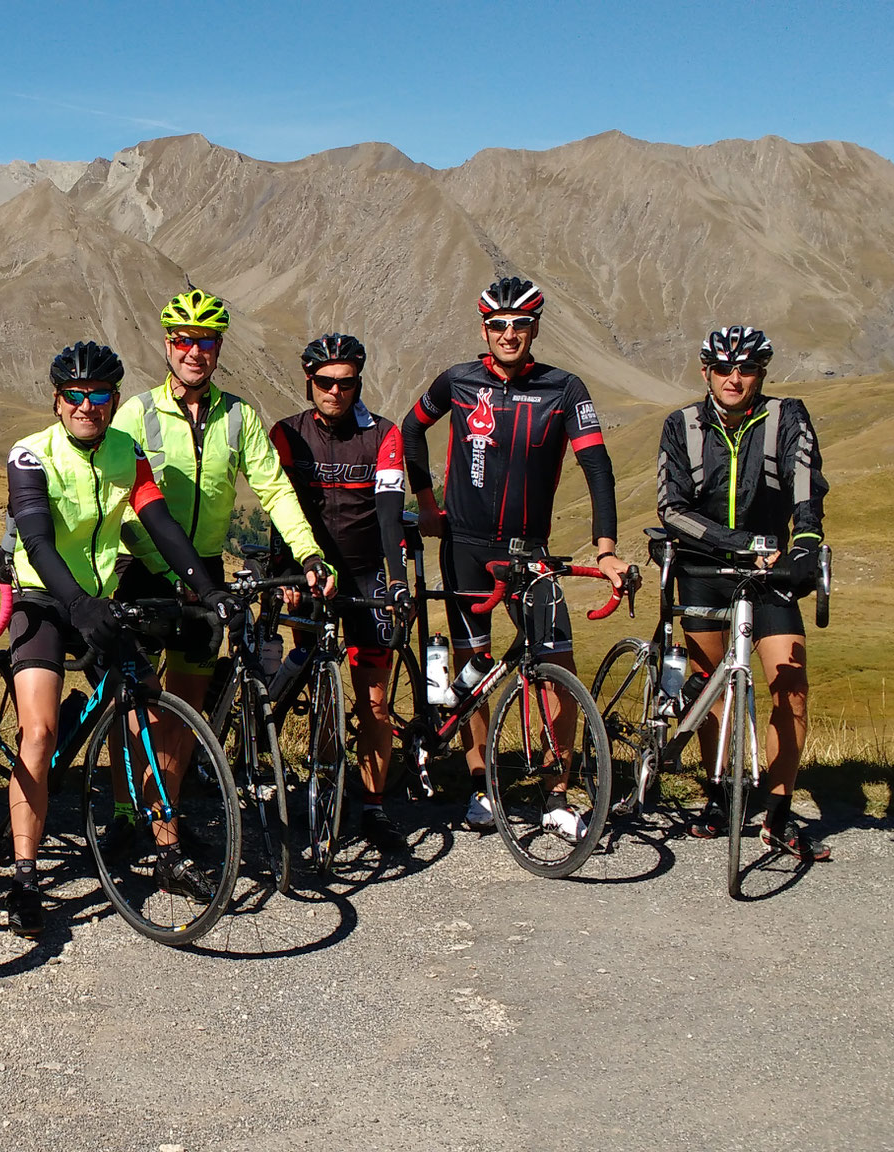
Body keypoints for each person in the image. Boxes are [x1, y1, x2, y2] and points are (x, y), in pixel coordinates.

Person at [3, 341, 238, 936]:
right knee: (40, 730)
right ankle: (25, 878)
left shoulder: (126, 452)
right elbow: (35, 539)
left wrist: (206, 589)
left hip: (101, 602)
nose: (88, 406)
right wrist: (75, 603)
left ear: (111, 402)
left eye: (100, 396)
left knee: (149, 710)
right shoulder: (30, 454)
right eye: (76, 396)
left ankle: (167, 851)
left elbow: (158, 523)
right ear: (57, 400)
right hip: (44, 602)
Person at [402, 276, 631, 837]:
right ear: (485, 329)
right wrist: (427, 505)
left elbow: (596, 467)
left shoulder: (564, 388)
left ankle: (557, 794)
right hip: (465, 549)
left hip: (530, 553)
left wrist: (606, 550)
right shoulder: (459, 381)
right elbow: (411, 430)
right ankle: (482, 788)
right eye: (499, 325)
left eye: (521, 324)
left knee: (558, 669)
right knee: (473, 671)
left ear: (535, 329)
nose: (509, 334)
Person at [109, 289, 333, 790]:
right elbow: (121, 506)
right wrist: (171, 572)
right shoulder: (136, 414)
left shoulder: (238, 416)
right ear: (168, 345)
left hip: (205, 569)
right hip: (139, 568)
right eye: (184, 341)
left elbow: (274, 488)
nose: (195, 352)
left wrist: (309, 552)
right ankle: (127, 807)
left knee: (186, 705)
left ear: (218, 348)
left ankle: (167, 813)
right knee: (132, 700)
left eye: (206, 341)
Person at [658, 326, 832, 860]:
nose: (735, 378)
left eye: (747, 369)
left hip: (772, 573)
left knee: (791, 686)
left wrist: (803, 547)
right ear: (706, 371)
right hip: (706, 567)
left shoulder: (787, 417)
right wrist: (742, 547)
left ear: (761, 373)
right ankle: (718, 796)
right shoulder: (681, 426)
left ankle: (777, 814)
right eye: (724, 368)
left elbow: (807, 489)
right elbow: (672, 510)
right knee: (713, 690)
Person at [270, 334, 415, 855]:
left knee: (375, 702)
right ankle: (318, 784)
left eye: (346, 383)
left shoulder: (384, 434)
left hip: (365, 574)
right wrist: (285, 571)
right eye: (325, 382)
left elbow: (389, 513)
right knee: (313, 677)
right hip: (311, 574)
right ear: (309, 382)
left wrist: (396, 581)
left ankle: (374, 807)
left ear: (358, 383)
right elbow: (278, 506)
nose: (335, 391)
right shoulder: (288, 433)